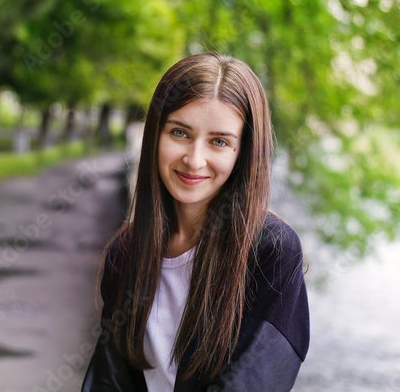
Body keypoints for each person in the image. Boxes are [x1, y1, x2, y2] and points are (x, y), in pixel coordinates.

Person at [81, 52, 310, 392]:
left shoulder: (271, 252)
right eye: (180, 133)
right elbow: (108, 380)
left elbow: (252, 382)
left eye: (219, 141)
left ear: (243, 152)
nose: (194, 159)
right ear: (156, 134)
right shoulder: (127, 251)